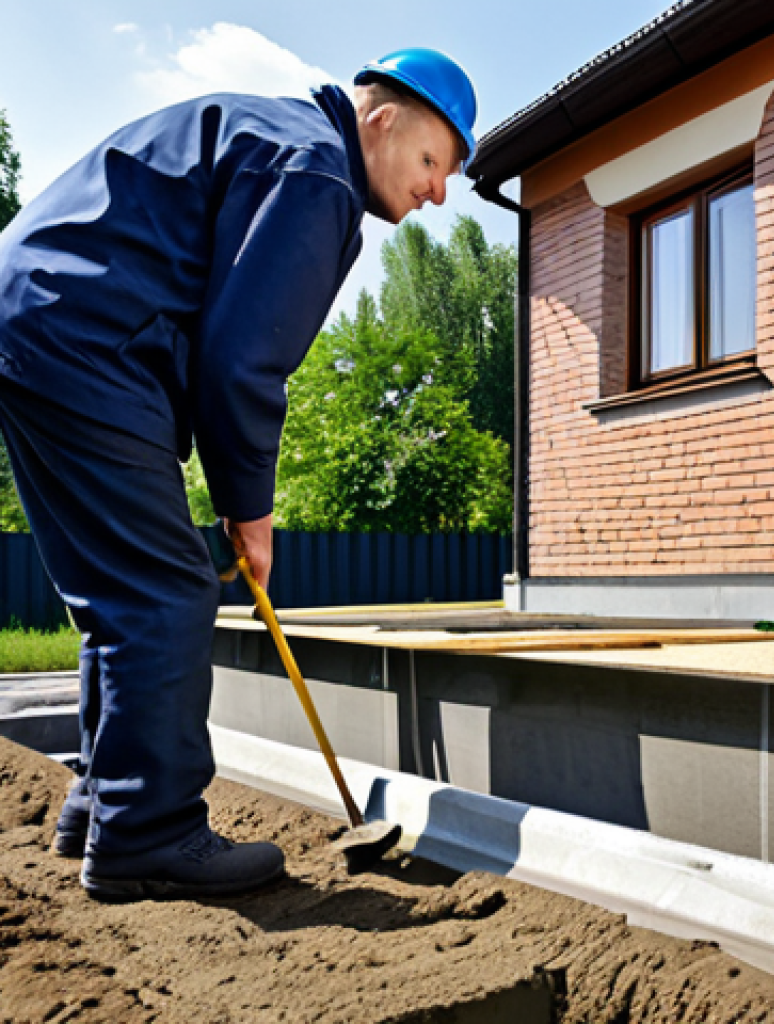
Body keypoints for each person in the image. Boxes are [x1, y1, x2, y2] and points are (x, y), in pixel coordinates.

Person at [0, 48, 476, 901]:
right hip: (84, 340)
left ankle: (103, 804)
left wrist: (228, 490)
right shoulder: (317, 171)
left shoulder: (276, 137)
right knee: (166, 592)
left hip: (41, 322)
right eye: (433, 161)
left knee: (124, 593)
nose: (437, 191)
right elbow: (244, 363)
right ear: (381, 121)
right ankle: (149, 836)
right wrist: (249, 512)